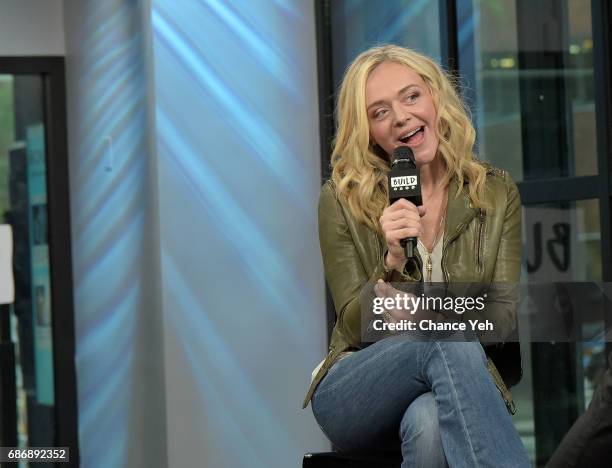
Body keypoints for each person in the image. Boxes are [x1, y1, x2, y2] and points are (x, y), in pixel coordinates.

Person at [302, 45, 531, 467]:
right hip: (355, 386)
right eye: (380, 111)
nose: (402, 116)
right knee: (445, 339)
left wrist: (423, 316)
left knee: (429, 422)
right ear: (368, 130)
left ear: (435, 98)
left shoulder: (495, 194)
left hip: (453, 382)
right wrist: (391, 262)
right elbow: (353, 326)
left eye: (411, 96)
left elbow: (502, 319)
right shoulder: (341, 199)